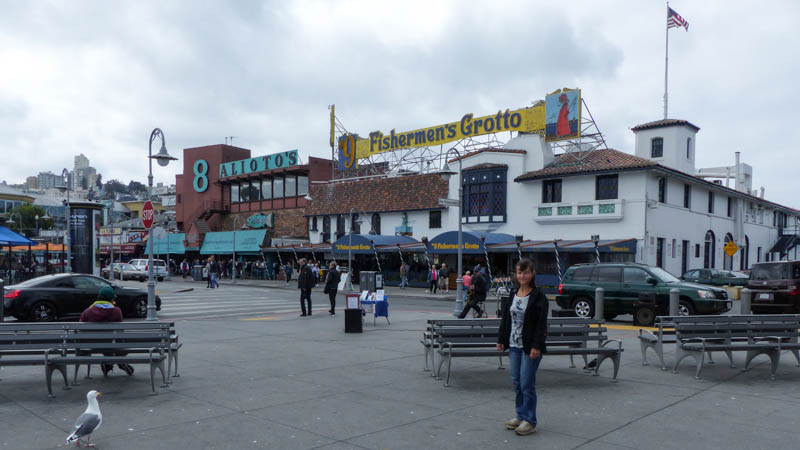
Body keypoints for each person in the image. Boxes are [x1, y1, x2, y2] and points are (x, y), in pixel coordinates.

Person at [496, 258, 548, 436]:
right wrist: (501, 339)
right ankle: (520, 415)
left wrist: (536, 346)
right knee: (517, 383)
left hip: (529, 347)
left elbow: (541, 325)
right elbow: (506, 319)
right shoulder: (513, 293)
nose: (522, 275)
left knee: (527, 384)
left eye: (525, 272)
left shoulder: (538, 296)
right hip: (513, 345)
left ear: (532, 273)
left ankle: (530, 420)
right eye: (519, 272)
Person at [79, 286, 135, 376]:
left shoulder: (88, 311)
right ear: (111, 299)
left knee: (105, 342)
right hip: (112, 343)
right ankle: (116, 362)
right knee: (121, 344)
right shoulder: (116, 311)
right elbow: (121, 330)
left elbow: (80, 328)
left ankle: (110, 362)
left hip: (92, 345)